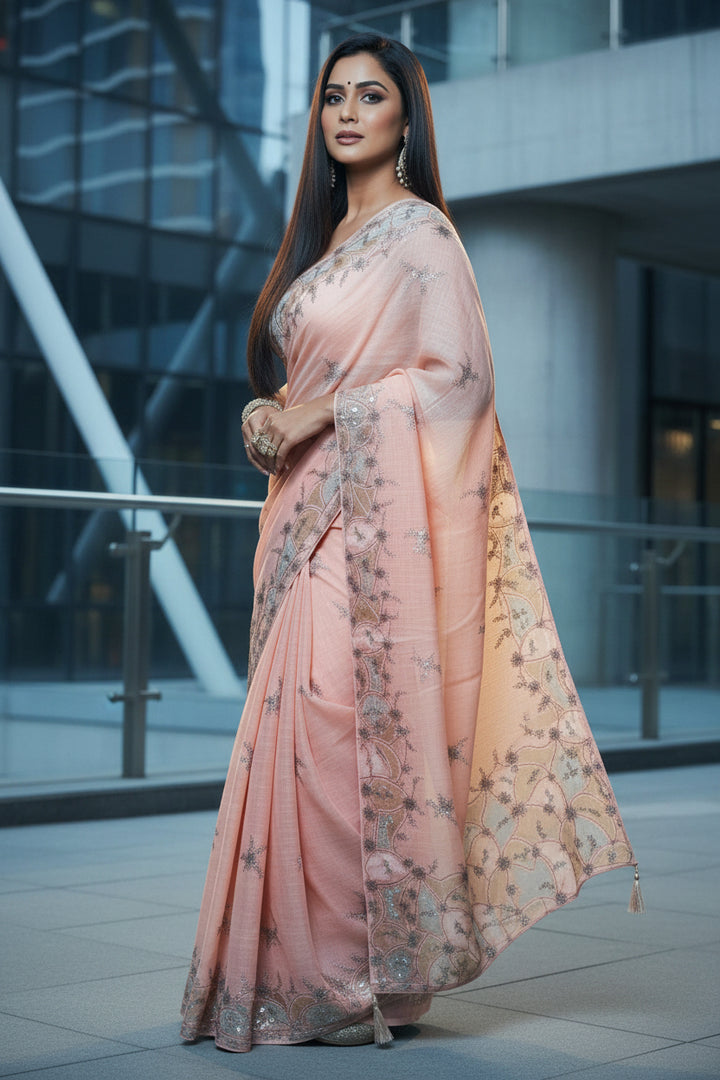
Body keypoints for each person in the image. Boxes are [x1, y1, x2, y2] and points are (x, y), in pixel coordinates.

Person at [180, 33, 642, 1054]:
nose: (347, 113)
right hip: (302, 522)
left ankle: (354, 976)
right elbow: (300, 384)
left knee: (337, 733)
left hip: (367, 534)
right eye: (333, 96)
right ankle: (294, 978)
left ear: (405, 117)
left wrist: (325, 414)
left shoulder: (422, 235)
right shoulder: (323, 245)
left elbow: (459, 382)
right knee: (292, 741)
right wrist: (269, 416)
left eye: (370, 96)